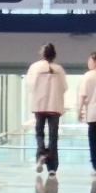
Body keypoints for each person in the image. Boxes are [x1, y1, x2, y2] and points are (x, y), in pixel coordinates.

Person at [26, 43, 69, 178]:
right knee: (53, 136)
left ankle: (41, 155)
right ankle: (52, 168)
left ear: (43, 53)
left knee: (39, 133)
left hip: (39, 106)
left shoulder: (35, 67)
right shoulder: (59, 69)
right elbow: (64, 87)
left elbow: (30, 85)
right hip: (54, 106)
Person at [78, 51, 96, 178]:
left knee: (94, 142)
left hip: (93, 115)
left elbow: (82, 96)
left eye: (90, 60)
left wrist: (79, 111)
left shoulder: (88, 76)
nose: (88, 63)